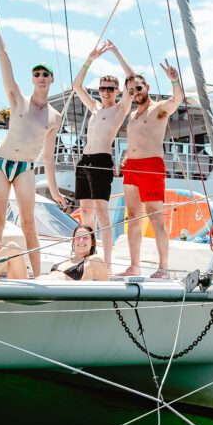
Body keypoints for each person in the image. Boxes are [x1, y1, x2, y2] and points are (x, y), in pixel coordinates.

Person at [0, 0, 65, 277]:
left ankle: (39, 276)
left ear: (52, 80)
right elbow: (4, 60)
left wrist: (53, 190)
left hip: (25, 168)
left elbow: (50, 157)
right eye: (37, 74)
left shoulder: (54, 117)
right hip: (1, 162)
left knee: (29, 223)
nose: (41, 77)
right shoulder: (18, 100)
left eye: (45, 74)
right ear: (33, 79)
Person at [117, 62, 184, 278]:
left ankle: (163, 267)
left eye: (138, 88)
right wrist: (125, 159)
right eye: (130, 91)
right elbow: (132, 142)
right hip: (131, 167)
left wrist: (174, 80)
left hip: (151, 166)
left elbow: (178, 99)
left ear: (145, 86)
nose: (135, 93)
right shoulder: (132, 116)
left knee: (155, 217)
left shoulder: (160, 108)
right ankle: (134, 265)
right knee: (133, 217)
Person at [72, 40, 133, 270]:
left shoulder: (120, 108)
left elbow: (132, 77)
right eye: (103, 88)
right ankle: (88, 258)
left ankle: (106, 264)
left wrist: (116, 51)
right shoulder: (95, 107)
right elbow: (77, 85)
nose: (105, 92)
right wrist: (90, 58)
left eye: (110, 88)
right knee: (85, 212)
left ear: (118, 91)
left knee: (102, 214)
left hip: (101, 161)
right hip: (85, 161)